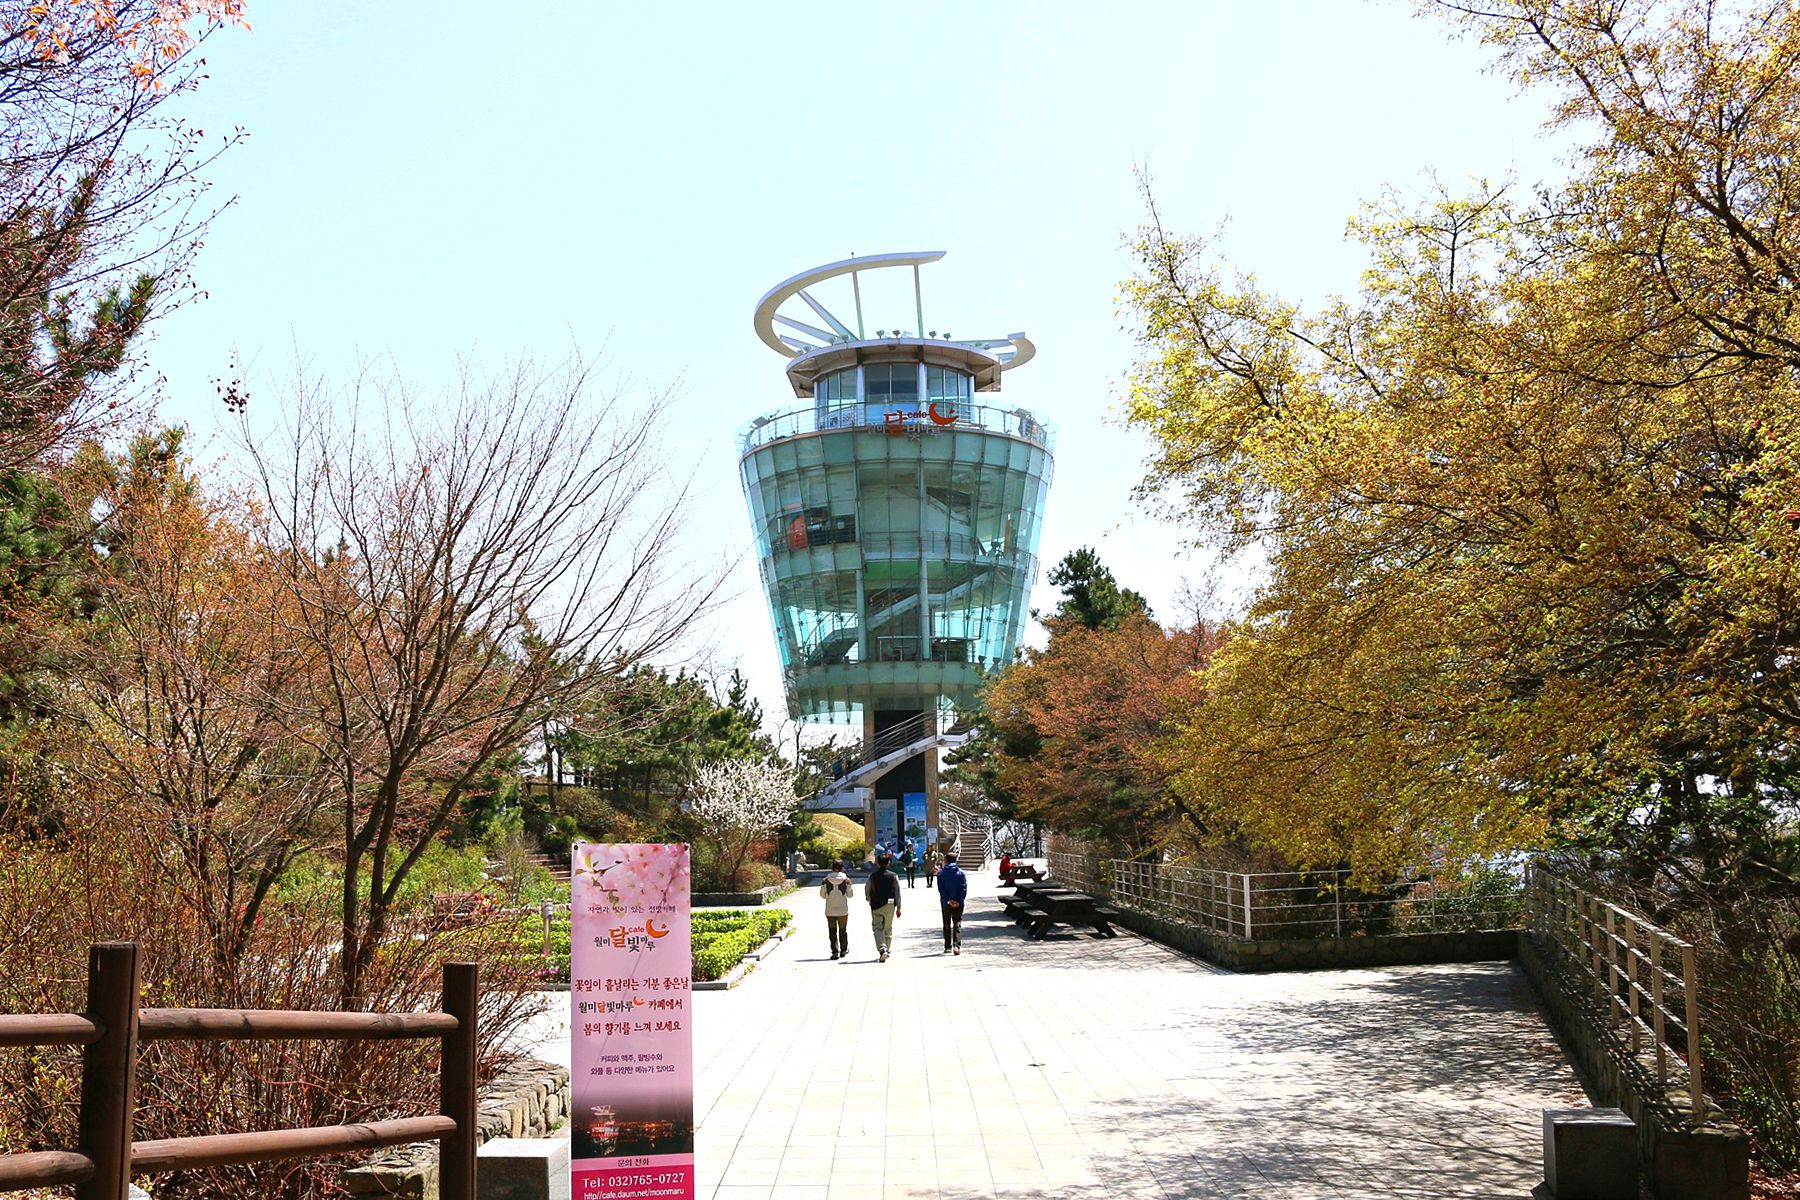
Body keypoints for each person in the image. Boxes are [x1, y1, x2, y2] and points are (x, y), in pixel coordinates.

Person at [866, 852, 902, 962]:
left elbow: (867, 890)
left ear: (877, 863)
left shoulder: (872, 876)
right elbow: (897, 892)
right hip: (890, 905)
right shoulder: (893, 876)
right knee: (888, 927)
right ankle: (887, 949)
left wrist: (869, 899)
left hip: (876, 905)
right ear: (889, 863)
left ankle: (882, 949)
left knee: (877, 928)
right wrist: (899, 907)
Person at [818, 859, 855, 961]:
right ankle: (844, 950)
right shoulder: (846, 880)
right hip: (843, 910)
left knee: (832, 930)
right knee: (843, 930)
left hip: (830, 909)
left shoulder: (825, 880)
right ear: (842, 868)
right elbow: (850, 895)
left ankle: (835, 952)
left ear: (832, 868)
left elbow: (822, 895)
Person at [937, 852, 968, 954]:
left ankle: (947, 946)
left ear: (946, 860)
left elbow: (941, 889)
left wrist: (948, 900)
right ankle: (957, 946)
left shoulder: (941, 873)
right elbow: (963, 888)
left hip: (946, 903)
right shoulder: (961, 873)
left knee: (946, 923)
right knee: (957, 923)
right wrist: (959, 900)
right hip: (959, 903)